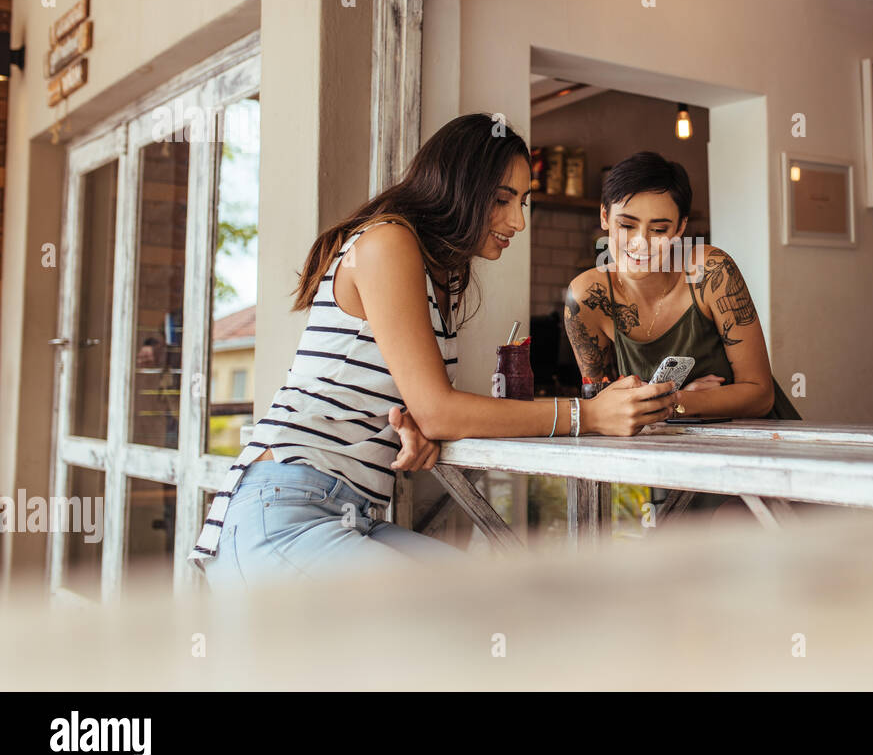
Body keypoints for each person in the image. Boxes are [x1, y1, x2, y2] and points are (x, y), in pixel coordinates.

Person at [189, 115, 678, 590]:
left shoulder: (436, 271)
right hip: (282, 513)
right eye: (502, 199)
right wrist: (587, 414)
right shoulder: (388, 242)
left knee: (498, 598)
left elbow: (418, 403)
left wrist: (414, 425)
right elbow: (441, 409)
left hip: (348, 514)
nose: (518, 221)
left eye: (524, 201)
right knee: (461, 622)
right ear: (457, 186)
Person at [562, 151, 800, 520]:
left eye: (659, 230)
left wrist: (671, 405)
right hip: (669, 469)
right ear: (604, 216)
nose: (641, 243)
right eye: (626, 225)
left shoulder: (710, 271)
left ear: (680, 228)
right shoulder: (586, 300)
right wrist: (679, 400)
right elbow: (602, 411)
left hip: (761, 461)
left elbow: (759, 393)